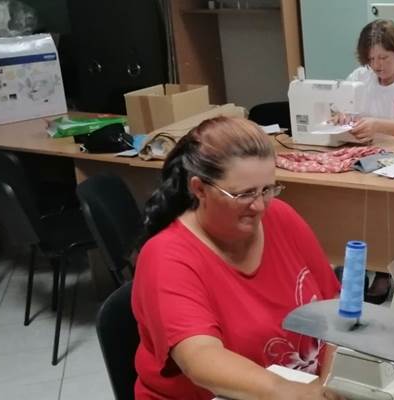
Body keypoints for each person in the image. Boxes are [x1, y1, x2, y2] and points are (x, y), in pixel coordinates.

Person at [132, 116, 343, 399]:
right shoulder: (166, 258)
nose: (259, 206)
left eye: (267, 190)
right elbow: (201, 359)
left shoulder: (280, 217)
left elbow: (334, 306)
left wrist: (331, 383)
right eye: (244, 194)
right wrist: (295, 393)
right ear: (199, 189)